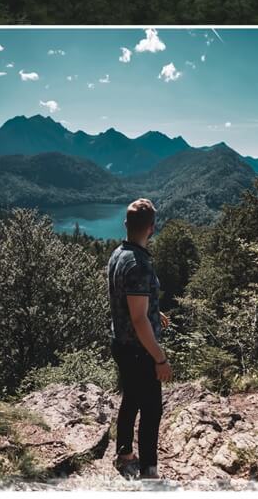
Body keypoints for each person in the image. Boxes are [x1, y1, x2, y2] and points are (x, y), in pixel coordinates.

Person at [107, 198, 172, 480]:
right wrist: (160, 358)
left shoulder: (118, 254)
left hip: (121, 343)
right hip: (139, 350)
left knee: (130, 398)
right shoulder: (139, 265)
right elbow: (138, 319)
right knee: (151, 410)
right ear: (152, 228)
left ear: (126, 225)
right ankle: (149, 473)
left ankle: (124, 452)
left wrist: (158, 314)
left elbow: (133, 304)